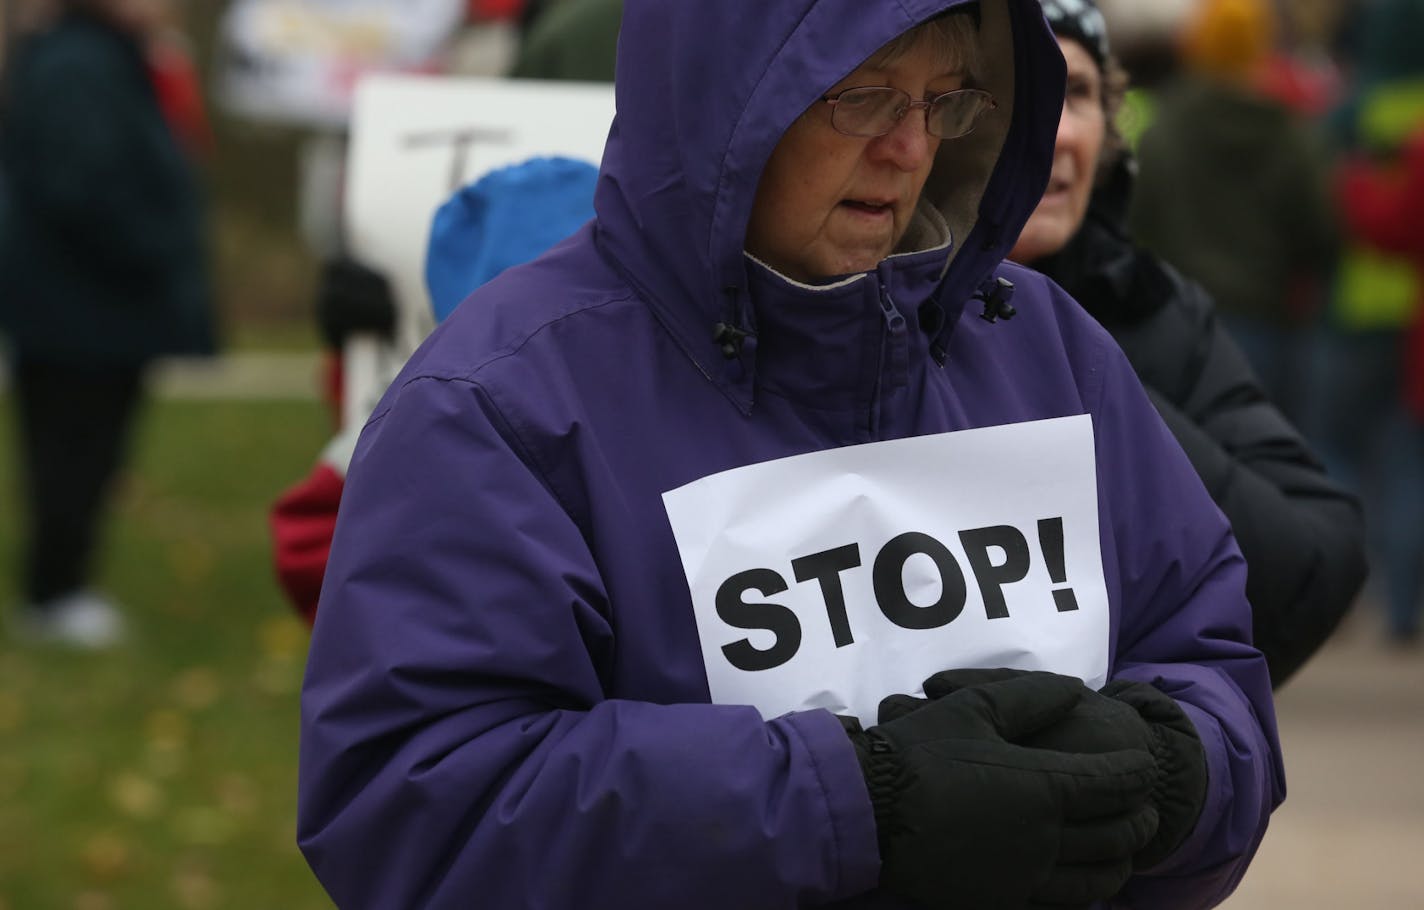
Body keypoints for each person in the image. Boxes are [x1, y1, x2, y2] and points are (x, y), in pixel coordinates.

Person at [298, 2, 1283, 907]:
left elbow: (1205, 651)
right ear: (726, 107)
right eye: (861, 99)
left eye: (942, 103)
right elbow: (419, 807)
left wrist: (1172, 771)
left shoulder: (1044, 347)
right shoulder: (500, 404)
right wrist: (860, 801)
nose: (906, 149)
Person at [1011, 0, 1367, 686]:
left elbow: (1313, 566)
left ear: (1111, 133)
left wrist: (1091, 373)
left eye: (1078, 92)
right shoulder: (858, 329)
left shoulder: (1154, 310)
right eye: (1020, 93)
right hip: (1269, 313)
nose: (1053, 131)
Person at [0, 0, 216, 648]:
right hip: (76, 305)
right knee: (70, 451)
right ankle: (55, 594)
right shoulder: (77, 61)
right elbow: (80, 181)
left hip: (93, 305)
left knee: (92, 450)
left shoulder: (112, 57)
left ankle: (65, 588)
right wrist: (154, 245)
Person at [1128, 0, 1338, 425]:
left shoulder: (1164, 129)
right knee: (1268, 464)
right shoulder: (1289, 134)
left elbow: (1137, 223)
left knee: (1188, 465)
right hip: (1269, 324)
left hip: (1180, 321)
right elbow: (1318, 231)